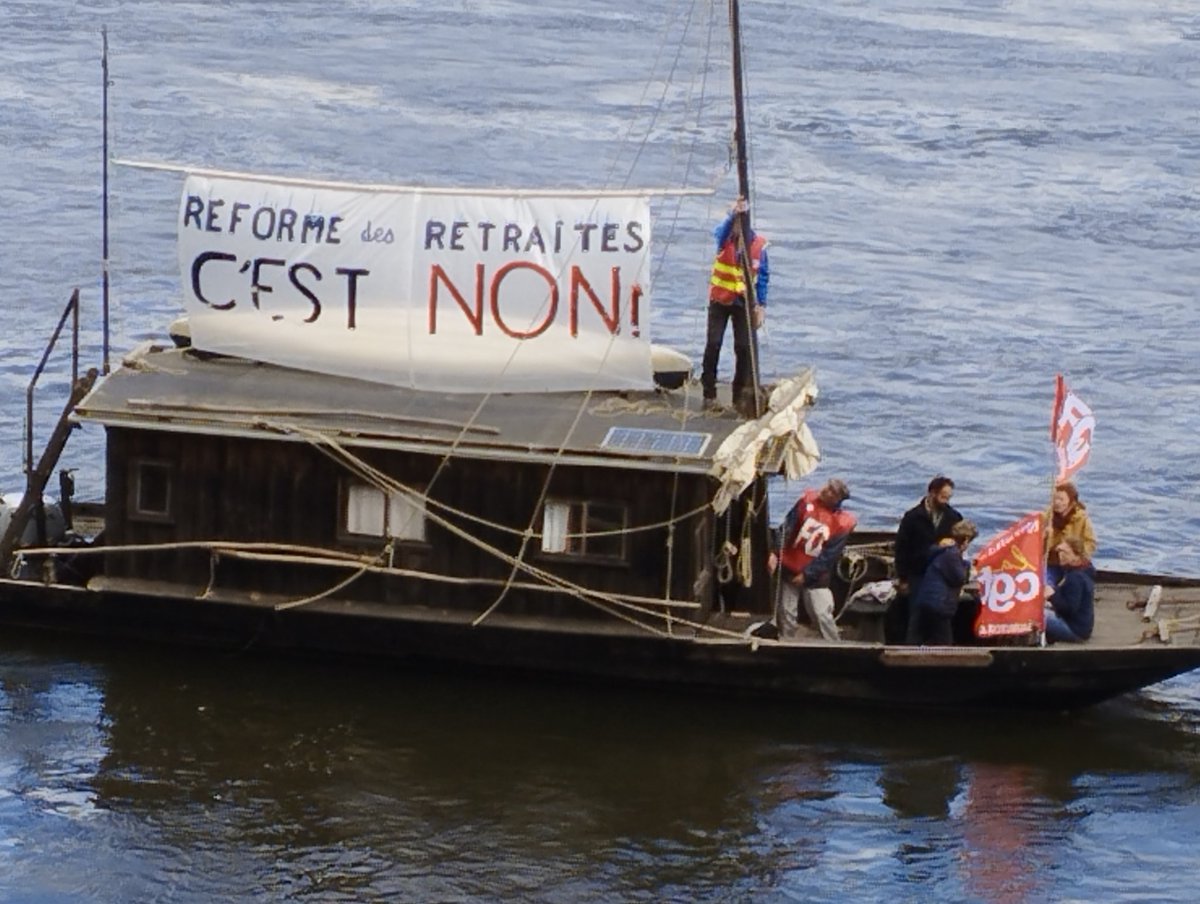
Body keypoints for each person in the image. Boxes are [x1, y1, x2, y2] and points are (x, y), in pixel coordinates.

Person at [700, 197, 769, 411]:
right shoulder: (725, 239)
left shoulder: (758, 246)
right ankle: (708, 393)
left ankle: (739, 395)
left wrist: (761, 305)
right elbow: (719, 232)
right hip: (720, 300)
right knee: (713, 344)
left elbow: (764, 277)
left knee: (743, 347)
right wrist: (733, 214)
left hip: (743, 303)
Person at [767, 479, 855, 641]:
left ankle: (834, 645)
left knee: (821, 613)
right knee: (787, 611)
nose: (825, 490)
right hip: (789, 565)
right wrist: (774, 552)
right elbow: (786, 527)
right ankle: (787, 642)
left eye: (832, 492)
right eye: (827, 486)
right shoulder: (805, 501)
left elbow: (829, 555)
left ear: (837, 499)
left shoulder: (841, 524)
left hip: (816, 575)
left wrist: (807, 575)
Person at [886, 476, 964, 643]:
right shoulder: (913, 517)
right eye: (943, 496)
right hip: (917, 573)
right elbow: (901, 549)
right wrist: (903, 577)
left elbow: (958, 548)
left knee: (940, 619)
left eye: (948, 497)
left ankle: (940, 652)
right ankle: (910, 650)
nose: (946, 501)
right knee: (916, 616)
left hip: (940, 576)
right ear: (932, 493)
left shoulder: (953, 517)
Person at [909, 519, 979, 645]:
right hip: (939, 604)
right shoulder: (952, 554)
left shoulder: (943, 551)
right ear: (966, 540)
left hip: (928, 600)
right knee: (944, 642)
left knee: (929, 637)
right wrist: (967, 564)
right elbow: (959, 578)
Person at [1043, 481, 1097, 586]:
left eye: (1061, 499)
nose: (1057, 502)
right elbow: (1039, 546)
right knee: (1045, 582)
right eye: (1055, 499)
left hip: (1073, 563)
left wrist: (1077, 556)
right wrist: (1045, 536)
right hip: (1053, 562)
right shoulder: (1047, 517)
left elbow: (1091, 543)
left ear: (1071, 501)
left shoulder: (1081, 519)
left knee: (1075, 582)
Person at [1044, 536, 1095, 643]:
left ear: (1076, 556)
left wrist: (1052, 596)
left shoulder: (1075, 578)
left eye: (1065, 553)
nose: (1061, 556)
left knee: (1039, 616)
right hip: (1081, 627)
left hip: (1076, 630)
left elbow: (1069, 608)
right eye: (1060, 552)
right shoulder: (1083, 571)